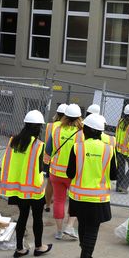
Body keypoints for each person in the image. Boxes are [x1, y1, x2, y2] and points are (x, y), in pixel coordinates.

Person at [66, 113, 118, 258]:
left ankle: (84, 253)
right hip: (98, 198)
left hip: (78, 197)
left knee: (82, 225)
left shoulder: (77, 147)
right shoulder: (109, 150)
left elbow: (70, 172)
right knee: (92, 230)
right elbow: (114, 175)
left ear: (87, 130)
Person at [0, 110, 53, 258]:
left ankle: (19, 249)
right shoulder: (38, 145)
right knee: (37, 218)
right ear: (37, 128)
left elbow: (8, 163)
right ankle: (39, 247)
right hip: (34, 189)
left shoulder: (13, 141)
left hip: (18, 188)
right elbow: (41, 167)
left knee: (22, 216)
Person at [46, 103, 82, 240]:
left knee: (59, 201)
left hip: (56, 172)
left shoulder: (57, 130)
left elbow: (48, 150)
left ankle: (59, 231)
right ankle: (69, 227)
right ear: (79, 118)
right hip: (73, 174)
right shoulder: (81, 134)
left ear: (65, 116)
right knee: (74, 201)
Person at [42, 104, 67, 212]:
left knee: (49, 183)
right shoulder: (65, 127)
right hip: (59, 159)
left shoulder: (49, 125)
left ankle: (47, 205)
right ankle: (56, 202)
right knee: (60, 185)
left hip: (48, 158)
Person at [114, 104, 129, 193]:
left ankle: (118, 186)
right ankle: (123, 187)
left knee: (121, 167)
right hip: (128, 151)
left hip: (119, 149)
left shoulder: (120, 121)